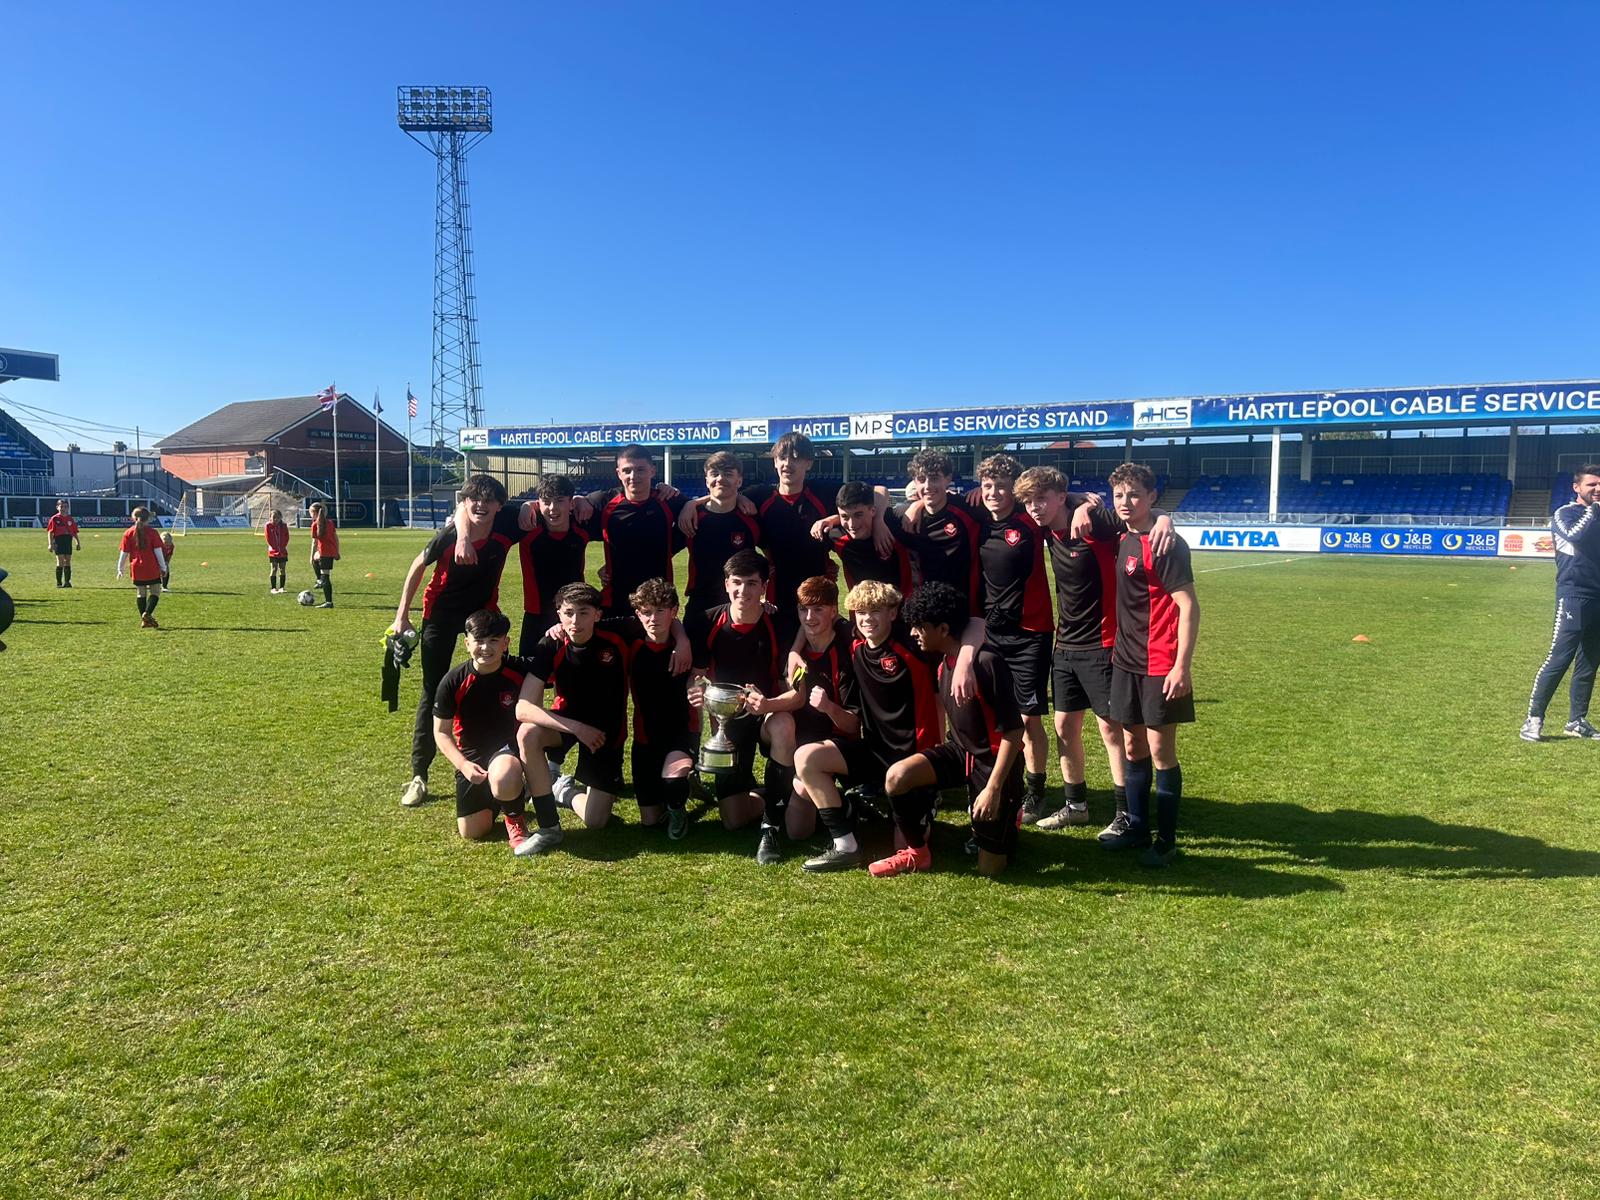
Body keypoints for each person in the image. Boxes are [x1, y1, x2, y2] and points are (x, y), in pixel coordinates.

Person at [1016, 466, 1173, 837]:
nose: (1035, 507)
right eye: (1029, 501)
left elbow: (1135, 518)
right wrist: (1077, 500)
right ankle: (1076, 806)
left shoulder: (1095, 523)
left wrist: (1166, 517)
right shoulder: (1045, 528)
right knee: (1064, 726)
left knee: (1110, 729)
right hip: (1065, 645)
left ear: (1059, 497)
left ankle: (1124, 812)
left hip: (1103, 643)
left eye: (1042, 498)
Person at [394, 474, 538, 808]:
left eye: (488, 501)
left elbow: (541, 506)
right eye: (474, 499)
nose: (481, 506)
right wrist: (402, 616)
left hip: (483, 613)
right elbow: (417, 565)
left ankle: (512, 763)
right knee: (433, 690)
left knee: (501, 683)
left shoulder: (505, 523)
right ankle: (419, 775)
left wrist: (554, 502)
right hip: (441, 614)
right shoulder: (449, 534)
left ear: (499, 506)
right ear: (464, 501)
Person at [795, 580, 942, 874]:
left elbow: (969, 626)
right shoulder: (854, 641)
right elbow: (813, 623)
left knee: (904, 847)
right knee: (806, 758)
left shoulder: (915, 643)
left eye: (875, 611)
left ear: (893, 612)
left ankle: (924, 803)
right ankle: (845, 846)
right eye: (860, 612)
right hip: (876, 752)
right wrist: (793, 650)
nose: (867, 619)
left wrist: (964, 658)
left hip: (916, 758)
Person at [1099, 463, 1199, 868]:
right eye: (1119, 495)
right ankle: (1137, 827)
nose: (1126, 502)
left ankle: (1167, 841)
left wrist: (1182, 667)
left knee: (1161, 751)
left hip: (1160, 661)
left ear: (1152, 497)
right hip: (1125, 659)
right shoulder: (1122, 536)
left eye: (1135, 495)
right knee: (1132, 744)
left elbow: (1189, 607)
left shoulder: (1167, 545)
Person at [968, 453, 1075, 822]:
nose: (994, 492)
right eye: (987, 486)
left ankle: (1036, 791)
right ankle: (999, 779)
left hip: (1030, 634)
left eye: (1001, 486)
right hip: (991, 634)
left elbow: (1062, 501)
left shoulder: (1030, 522)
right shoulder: (978, 521)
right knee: (996, 714)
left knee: (1029, 718)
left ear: (1015, 490)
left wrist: (1087, 503)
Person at [896, 582, 1025, 877]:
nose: (913, 633)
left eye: (919, 626)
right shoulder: (945, 659)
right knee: (897, 777)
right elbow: (976, 623)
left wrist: (993, 789)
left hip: (993, 764)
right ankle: (919, 851)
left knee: (990, 870)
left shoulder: (986, 663)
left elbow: (1014, 732)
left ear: (943, 629)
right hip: (959, 752)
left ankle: (1008, 816)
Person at [681, 432, 844, 650]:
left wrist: (832, 518)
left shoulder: (824, 492)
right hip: (778, 596)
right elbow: (724, 493)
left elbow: (874, 494)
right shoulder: (760, 496)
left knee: (821, 653)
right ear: (775, 462)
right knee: (782, 657)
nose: (788, 463)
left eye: (795, 457)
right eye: (782, 457)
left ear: (809, 463)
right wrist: (692, 504)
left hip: (817, 591)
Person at [688, 549, 798, 864]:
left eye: (752, 583)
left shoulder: (780, 623)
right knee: (732, 820)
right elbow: (695, 676)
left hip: (766, 715)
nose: (743, 591)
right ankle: (782, 796)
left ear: (764, 586)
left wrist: (769, 704)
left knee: (783, 724)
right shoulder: (706, 622)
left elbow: (796, 690)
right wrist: (695, 691)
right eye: (737, 582)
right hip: (728, 723)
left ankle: (770, 826)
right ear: (726, 584)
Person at [432, 608, 562, 855]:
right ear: (466, 643)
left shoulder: (521, 670)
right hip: (473, 758)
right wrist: (463, 765)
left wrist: (558, 631)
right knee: (473, 831)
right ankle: (510, 795)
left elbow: (559, 666)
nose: (485, 648)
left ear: (506, 643)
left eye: (493, 640)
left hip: (508, 752)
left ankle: (515, 819)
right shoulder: (453, 681)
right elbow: (441, 732)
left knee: (503, 774)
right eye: (479, 641)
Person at [516, 582, 631, 830]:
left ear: (598, 615)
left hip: (606, 731)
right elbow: (522, 708)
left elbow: (659, 618)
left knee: (596, 821)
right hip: (568, 724)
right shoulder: (550, 644)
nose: (575, 621)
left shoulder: (619, 634)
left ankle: (563, 791)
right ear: (558, 614)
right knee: (527, 732)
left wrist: (683, 639)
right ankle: (547, 819)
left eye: (584, 613)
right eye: (568, 613)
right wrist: (577, 728)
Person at [777, 575, 861, 842]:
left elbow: (852, 726)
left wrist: (828, 707)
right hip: (802, 741)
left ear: (834, 612)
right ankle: (841, 804)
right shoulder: (795, 647)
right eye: (804, 609)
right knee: (797, 831)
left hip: (836, 743)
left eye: (818, 610)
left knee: (801, 797)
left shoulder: (847, 651)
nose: (809, 617)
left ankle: (846, 808)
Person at [613, 578, 698, 838]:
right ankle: (684, 785)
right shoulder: (630, 640)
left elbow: (702, 676)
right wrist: (558, 628)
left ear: (674, 612)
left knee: (672, 782)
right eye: (646, 612)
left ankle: (678, 804)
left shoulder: (688, 643)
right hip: (645, 738)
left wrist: (682, 640)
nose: (653, 618)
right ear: (638, 614)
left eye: (660, 611)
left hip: (682, 733)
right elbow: (587, 624)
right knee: (649, 821)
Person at [1523, 464, 1600, 741]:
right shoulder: (1565, 514)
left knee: (1590, 661)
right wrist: (1594, 509)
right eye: (1592, 484)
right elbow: (1576, 535)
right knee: (1560, 657)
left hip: (1599, 598)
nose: (1598, 489)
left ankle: (1577, 721)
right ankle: (1533, 718)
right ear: (1576, 487)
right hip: (1575, 596)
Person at [575, 444, 687, 619]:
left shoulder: (668, 500)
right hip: (616, 600)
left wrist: (691, 504)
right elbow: (557, 509)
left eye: (640, 469)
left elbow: (711, 506)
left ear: (652, 470)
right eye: (627, 471)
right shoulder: (603, 502)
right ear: (618, 473)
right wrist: (577, 499)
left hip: (659, 602)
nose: (633, 476)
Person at [680, 452, 762, 646]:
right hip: (700, 604)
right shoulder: (691, 518)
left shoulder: (751, 519)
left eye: (728, 473)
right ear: (706, 479)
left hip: (741, 604)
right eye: (714, 473)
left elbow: (771, 552)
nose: (720, 478)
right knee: (694, 670)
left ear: (739, 480)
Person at [514, 475, 592, 657]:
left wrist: (582, 499)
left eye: (559, 501)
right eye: (546, 502)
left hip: (574, 613)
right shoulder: (527, 527)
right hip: (537, 613)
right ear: (538, 503)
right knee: (530, 673)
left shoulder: (583, 527)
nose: (552, 508)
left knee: (572, 671)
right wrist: (527, 505)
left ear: (571, 504)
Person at [892, 448, 981, 597]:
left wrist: (983, 489)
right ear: (914, 482)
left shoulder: (968, 508)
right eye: (921, 479)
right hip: (922, 608)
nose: (927, 486)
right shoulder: (904, 515)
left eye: (934, 478)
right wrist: (879, 526)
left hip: (962, 608)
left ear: (948, 478)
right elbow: (874, 499)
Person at [820, 480, 916, 594]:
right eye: (845, 516)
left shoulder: (895, 524)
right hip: (860, 610)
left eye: (858, 515)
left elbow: (881, 490)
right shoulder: (835, 535)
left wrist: (917, 506)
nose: (852, 525)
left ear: (873, 510)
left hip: (901, 609)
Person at [116, 506, 168, 628]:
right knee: (155, 591)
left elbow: (124, 553)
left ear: (133, 518)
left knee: (141, 593)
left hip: (136, 567)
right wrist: (163, 566)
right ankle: (147, 613)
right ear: (148, 519)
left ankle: (144, 621)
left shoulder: (128, 533)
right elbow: (158, 552)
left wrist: (120, 568)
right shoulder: (153, 532)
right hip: (151, 566)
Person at [308, 502, 339, 608]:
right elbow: (336, 538)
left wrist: (311, 556)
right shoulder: (330, 522)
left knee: (326, 576)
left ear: (314, 513)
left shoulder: (315, 524)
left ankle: (329, 602)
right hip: (330, 551)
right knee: (317, 562)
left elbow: (314, 542)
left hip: (324, 552)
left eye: (310, 512)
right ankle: (319, 580)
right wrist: (337, 551)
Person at [45, 499, 81, 588]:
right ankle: (59, 583)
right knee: (60, 561)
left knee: (68, 561)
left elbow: (74, 532)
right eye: (61, 506)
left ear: (68, 508)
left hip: (68, 540)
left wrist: (77, 542)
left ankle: (67, 582)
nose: (63, 508)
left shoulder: (70, 519)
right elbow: (50, 532)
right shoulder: (55, 518)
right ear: (57, 507)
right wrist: (50, 544)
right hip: (58, 540)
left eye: (65, 507)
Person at [265, 509, 291, 594]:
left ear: (281, 518)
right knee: (274, 568)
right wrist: (275, 548)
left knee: (282, 568)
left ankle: (282, 587)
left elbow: (287, 537)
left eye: (278, 517)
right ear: (270, 518)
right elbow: (268, 539)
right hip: (273, 551)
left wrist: (282, 547)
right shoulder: (268, 526)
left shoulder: (283, 526)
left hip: (283, 551)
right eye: (274, 517)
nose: (276, 519)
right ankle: (273, 588)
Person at [158, 524, 176, 592]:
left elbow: (169, 555)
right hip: (154, 559)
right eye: (165, 544)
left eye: (168, 544)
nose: (167, 545)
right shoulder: (158, 546)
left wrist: (166, 563)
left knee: (166, 568)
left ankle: (164, 586)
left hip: (163, 559)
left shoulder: (172, 546)